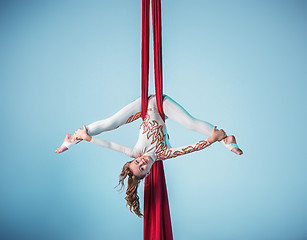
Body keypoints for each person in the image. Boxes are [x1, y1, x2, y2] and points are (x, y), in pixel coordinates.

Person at [55, 95, 243, 217]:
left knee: (112, 122)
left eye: (137, 163)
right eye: (143, 168)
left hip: (143, 106)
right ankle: (223, 138)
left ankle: (73, 138)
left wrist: (89, 139)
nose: (142, 162)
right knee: (189, 123)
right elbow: (190, 148)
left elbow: (112, 145)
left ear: (134, 159)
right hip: (162, 105)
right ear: (147, 174)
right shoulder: (163, 154)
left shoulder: (135, 152)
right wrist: (211, 140)